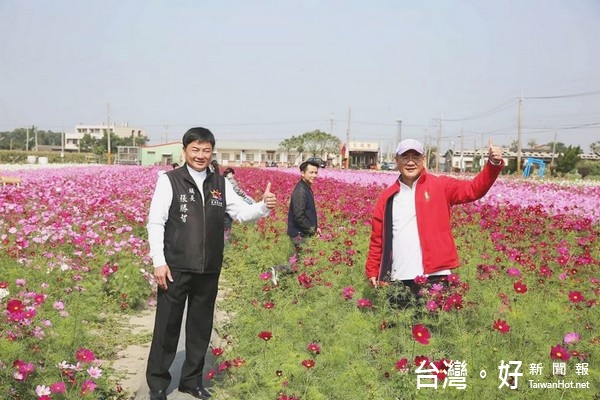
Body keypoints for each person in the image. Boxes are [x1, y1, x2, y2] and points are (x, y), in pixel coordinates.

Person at [145, 127, 277, 400]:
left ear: (212, 152)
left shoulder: (220, 183)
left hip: (208, 268)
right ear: (185, 151)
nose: (201, 155)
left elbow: (240, 213)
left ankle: (191, 381)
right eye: (195, 149)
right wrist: (159, 261)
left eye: (206, 150)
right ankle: (158, 383)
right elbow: (156, 222)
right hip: (175, 267)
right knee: (167, 327)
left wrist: (263, 206)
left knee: (201, 325)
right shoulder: (169, 181)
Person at [365, 138, 504, 308]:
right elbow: (378, 238)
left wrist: (493, 164)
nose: (410, 162)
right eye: (404, 157)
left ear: (423, 160)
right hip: (398, 276)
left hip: (435, 275)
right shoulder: (388, 197)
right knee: (399, 331)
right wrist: (373, 269)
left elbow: (473, 189)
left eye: (415, 157)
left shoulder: (440, 185)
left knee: (434, 329)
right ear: (396, 161)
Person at [287, 159, 321, 253]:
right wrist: (312, 230)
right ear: (302, 173)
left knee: (299, 263)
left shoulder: (306, 188)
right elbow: (299, 216)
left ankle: (275, 269)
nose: (314, 175)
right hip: (299, 235)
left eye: (316, 172)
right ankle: (276, 268)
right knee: (301, 263)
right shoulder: (300, 191)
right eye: (311, 172)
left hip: (303, 233)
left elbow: (307, 212)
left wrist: (315, 228)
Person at [222, 167, 255, 237]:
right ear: (231, 174)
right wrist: (244, 195)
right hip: (228, 205)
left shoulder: (221, 179)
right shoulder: (230, 180)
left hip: (221, 206)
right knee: (226, 227)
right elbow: (236, 190)